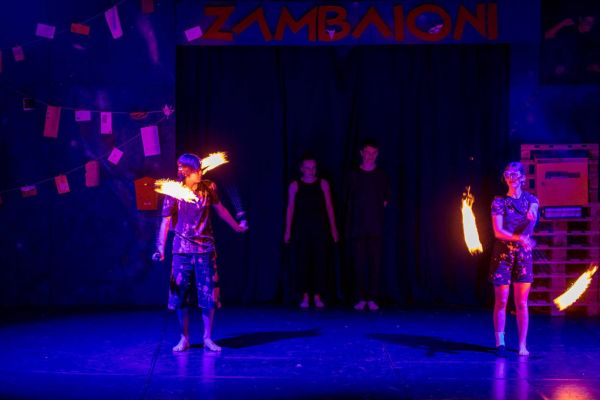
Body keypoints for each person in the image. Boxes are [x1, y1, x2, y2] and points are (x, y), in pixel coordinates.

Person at [156, 153, 247, 352]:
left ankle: (207, 338)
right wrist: (160, 247)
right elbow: (165, 221)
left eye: (200, 169)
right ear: (185, 172)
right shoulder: (174, 192)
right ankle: (184, 338)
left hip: (205, 250)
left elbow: (221, 210)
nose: (201, 172)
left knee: (209, 296)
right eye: (196, 170)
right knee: (180, 295)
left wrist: (236, 226)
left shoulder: (209, 188)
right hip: (181, 251)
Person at [489, 161, 539, 357]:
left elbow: (533, 210)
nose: (511, 178)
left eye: (515, 174)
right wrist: (519, 238)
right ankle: (500, 342)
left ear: (522, 178)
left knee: (522, 302)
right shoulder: (499, 202)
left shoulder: (531, 199)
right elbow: (498, 231)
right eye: (508, 174)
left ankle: (522, 344)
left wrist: (532, 215)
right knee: (502, 300)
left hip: (523, 256)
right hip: (503, 255)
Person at [284, 154, 339, 308]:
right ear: (302, 169)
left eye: (313, 168)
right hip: (301, 231)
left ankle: (318, 296)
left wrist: (334, 229)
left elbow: (329, 207)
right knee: (303, 263)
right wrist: (287, 230)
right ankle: (305, 296)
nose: (311, 171)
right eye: (308, 168)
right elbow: (290, 208)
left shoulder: (323, 184)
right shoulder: (295, 185)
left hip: (320, 230)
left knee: (320, 263)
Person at [345, 139, 390, 311]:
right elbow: (349, 200)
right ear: (361, 153)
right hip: (357, 227)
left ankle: (372, 298)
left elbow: (385, 200)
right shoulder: (353, 175)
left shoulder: (381, 175)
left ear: (377, 155)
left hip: (375, 227)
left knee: (375, 264)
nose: (370, 156)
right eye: (367, 152)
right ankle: (359, 297)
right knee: (358, 264)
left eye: (373, 153)